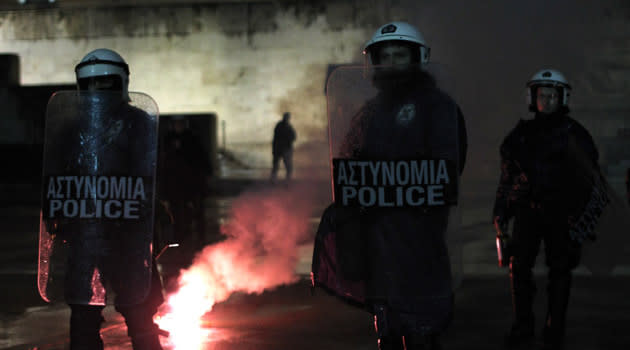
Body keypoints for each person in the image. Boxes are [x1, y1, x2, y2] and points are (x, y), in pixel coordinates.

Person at [312, 21, 467, 350]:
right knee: (388, 325)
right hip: (376, 233)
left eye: (399, 55)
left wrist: (407, 189)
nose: (391, 62)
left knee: (423, 322)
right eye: (385, 55)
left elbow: (447, 167)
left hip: (419, 230)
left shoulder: (438, 107)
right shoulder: (370, 112)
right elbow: (350, 160)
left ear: (416, 59)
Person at [41, 48, 165, 350]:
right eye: (93, 86)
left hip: (124, 235)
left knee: (136, 312)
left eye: (104, 85)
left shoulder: (137, 125)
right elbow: (55, 181)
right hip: (92, 233)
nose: (99, 93)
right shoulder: (72, 129)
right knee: (89, 314)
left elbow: (152, 178)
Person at [492, 69, 600, 350]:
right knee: (519, 269)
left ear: (562, 98)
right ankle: (523, 325)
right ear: (533, 98)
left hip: (561, 214)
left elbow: (590, 180)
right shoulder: (521, 135)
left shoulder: (575, 135)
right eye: (543, 95)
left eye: (553, 95)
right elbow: (508, 178)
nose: (548, 101)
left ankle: (555, 328)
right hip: (528, 211)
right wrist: (501, 213)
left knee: (560, 271)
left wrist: (580, 217)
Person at [159, 115, 212, 245]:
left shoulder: (193, 139)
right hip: (175, 183)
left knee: (197, 210)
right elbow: (165, 161)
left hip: (192, 182)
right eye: (176, 124)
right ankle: (180, 237)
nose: (179, 126)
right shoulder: (168, 140)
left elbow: (201, 159)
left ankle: (200, 237)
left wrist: (206, 174)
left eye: (181, 124)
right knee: (176, 212)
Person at [270, 112, 296, 182]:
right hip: (281, 149)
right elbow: (276, 138)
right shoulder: (283, 126)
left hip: (283, 149)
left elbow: (293, 137)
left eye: (287, 117)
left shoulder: (287, 126)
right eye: (287, 117)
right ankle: (275, 180)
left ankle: (286, 180)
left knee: (285, 166)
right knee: (277, 166)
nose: (287, 119)